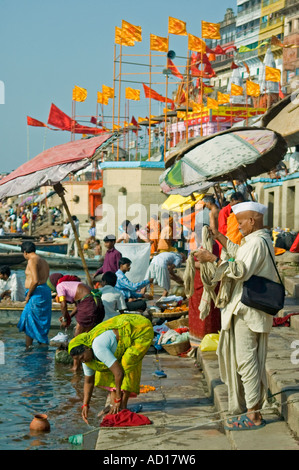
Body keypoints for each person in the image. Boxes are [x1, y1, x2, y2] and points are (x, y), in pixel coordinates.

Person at [194, 201, 276, 430]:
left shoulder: (258, 243)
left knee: (246, 361)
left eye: (240, 222)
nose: (238, 226)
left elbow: (239, 270)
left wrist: (212, 259)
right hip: (245, 310)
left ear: (253, 220)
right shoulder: (252, 242)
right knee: (245, 360)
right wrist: (219, 236)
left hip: (248, 311)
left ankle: (254, 415)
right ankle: (251, 409)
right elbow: (238, 255)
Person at [68, 314, 154, 423]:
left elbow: (119, 373)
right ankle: (115, 405)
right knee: (104, 370)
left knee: (127, 364)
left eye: (82, 357)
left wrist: (118, 399)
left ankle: (122, 406)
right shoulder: (86, 359)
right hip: (124, 336)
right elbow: (88, 382)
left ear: (86, 347)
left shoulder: (98, 348)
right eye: (80, 360)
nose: (83, 361)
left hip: (140, 329)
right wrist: (85, 405)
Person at [48, 273, 105, 371]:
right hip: (97, 303)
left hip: (89, 304)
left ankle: (76, 367)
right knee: (88, 336)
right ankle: (90, 365)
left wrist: (65, 319)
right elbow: (78, 305)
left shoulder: (60, 286)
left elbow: (63, 305)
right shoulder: (73, 284)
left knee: (77, 337)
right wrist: (68, 316)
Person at [17, 241, 52, 348]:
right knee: (40, 322)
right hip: (44, 292)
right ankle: (42, 346)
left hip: (36, 293)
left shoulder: (32, 260)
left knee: (30, 321)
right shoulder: (44, 261)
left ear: (25, 252)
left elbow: (35, 280)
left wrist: (28, 295)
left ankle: (28, 348)